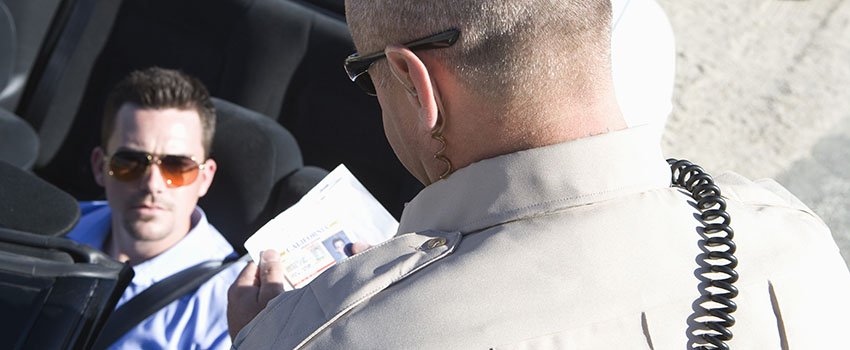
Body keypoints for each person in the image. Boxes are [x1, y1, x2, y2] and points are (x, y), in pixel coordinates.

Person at [227, 0, 850, 348]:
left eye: (368, 77)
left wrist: (279, 335)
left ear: (419, 86)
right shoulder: (796, 239)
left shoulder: (326, 334)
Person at [66, 67, 242, 349]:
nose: (153, 184)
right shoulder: (55, 233)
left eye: (177, 166)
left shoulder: (228, 308)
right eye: (130, 162)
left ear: (204, 178)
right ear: (100, 166)